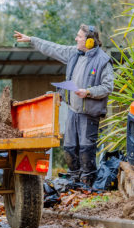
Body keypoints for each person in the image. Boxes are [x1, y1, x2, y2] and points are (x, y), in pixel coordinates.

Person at [14, 25, 114, 187]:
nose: (76, 39)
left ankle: (88, 182)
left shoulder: (102, 61)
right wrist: (32, 40)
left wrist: (88, 92)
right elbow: (53, 48)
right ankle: (75, 180)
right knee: (69, 148)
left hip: (88, 113)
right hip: (73, 111)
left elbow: (108, 87)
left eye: (79, 37)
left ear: (89, 41)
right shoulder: (74, 53)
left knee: (86, 150)